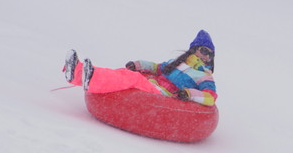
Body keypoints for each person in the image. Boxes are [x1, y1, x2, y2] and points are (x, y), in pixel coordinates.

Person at [62, 30, 217, 106]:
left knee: (133, 78)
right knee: (127, 73)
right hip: (154, 85)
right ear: (194, 49)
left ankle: (89, 77)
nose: (206, 56)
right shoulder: (177, 62)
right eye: (204, 50)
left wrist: (189, 93)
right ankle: (77, 72)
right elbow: (158, 68)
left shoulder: (205, 76)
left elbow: (210, 97)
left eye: (210, 54)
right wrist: (138, 65)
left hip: (166, 95)